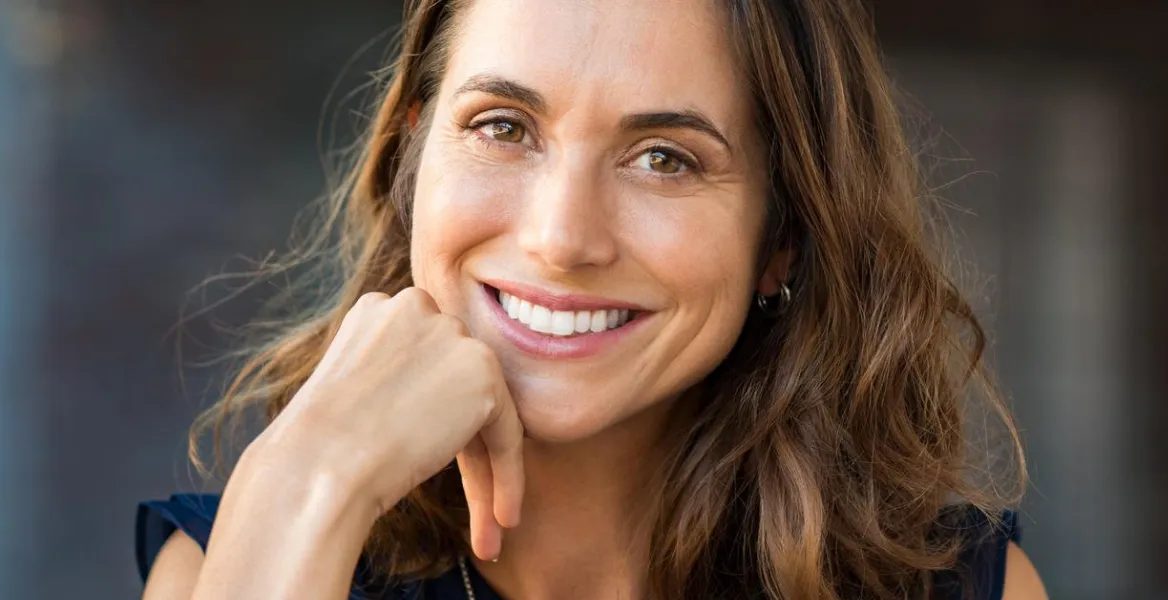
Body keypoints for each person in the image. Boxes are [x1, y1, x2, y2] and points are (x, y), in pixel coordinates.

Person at [135, 0, 1050, 598]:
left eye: (665, 158)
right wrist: (311, 478)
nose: (562, 238)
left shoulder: (968, 587)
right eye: (503, 127)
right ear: (415, 158)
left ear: (782, 239)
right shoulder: (231, 564)